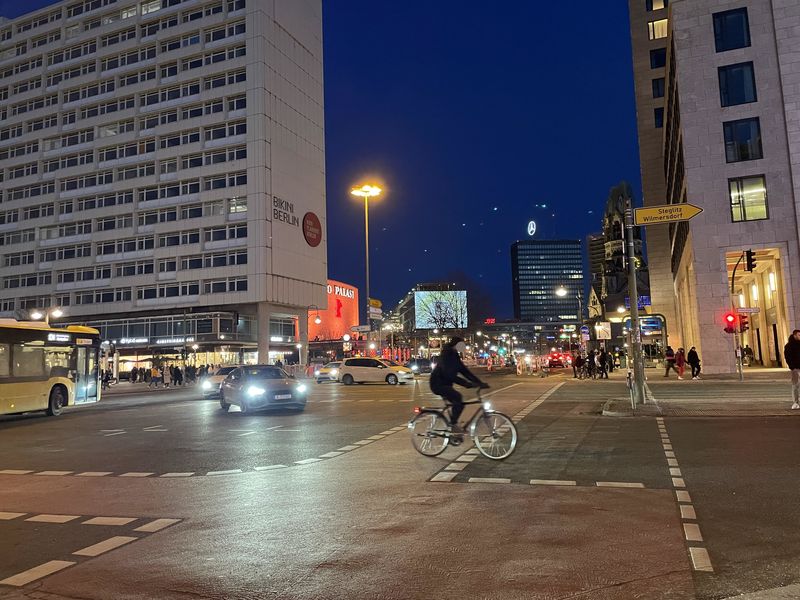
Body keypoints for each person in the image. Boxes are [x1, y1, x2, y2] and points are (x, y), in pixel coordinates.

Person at [429, 336, 488, 439]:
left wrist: (479, 383)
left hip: (445, 384)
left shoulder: (455, 355)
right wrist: (467, 384)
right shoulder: (446, 355)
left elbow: (464, 371)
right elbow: (449, 375)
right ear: (456, 345)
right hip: (437, 384)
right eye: (462, 345)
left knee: (458, 402)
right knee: (458, 398)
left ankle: (453, 426)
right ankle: (453, 425)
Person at [783, 330, 800, 410]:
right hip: (795, 369)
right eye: (799, 335)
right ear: (794, 335)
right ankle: (795, 402)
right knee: (795, 385)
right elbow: (787, 357)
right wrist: (792, 367)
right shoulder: (789, 346)